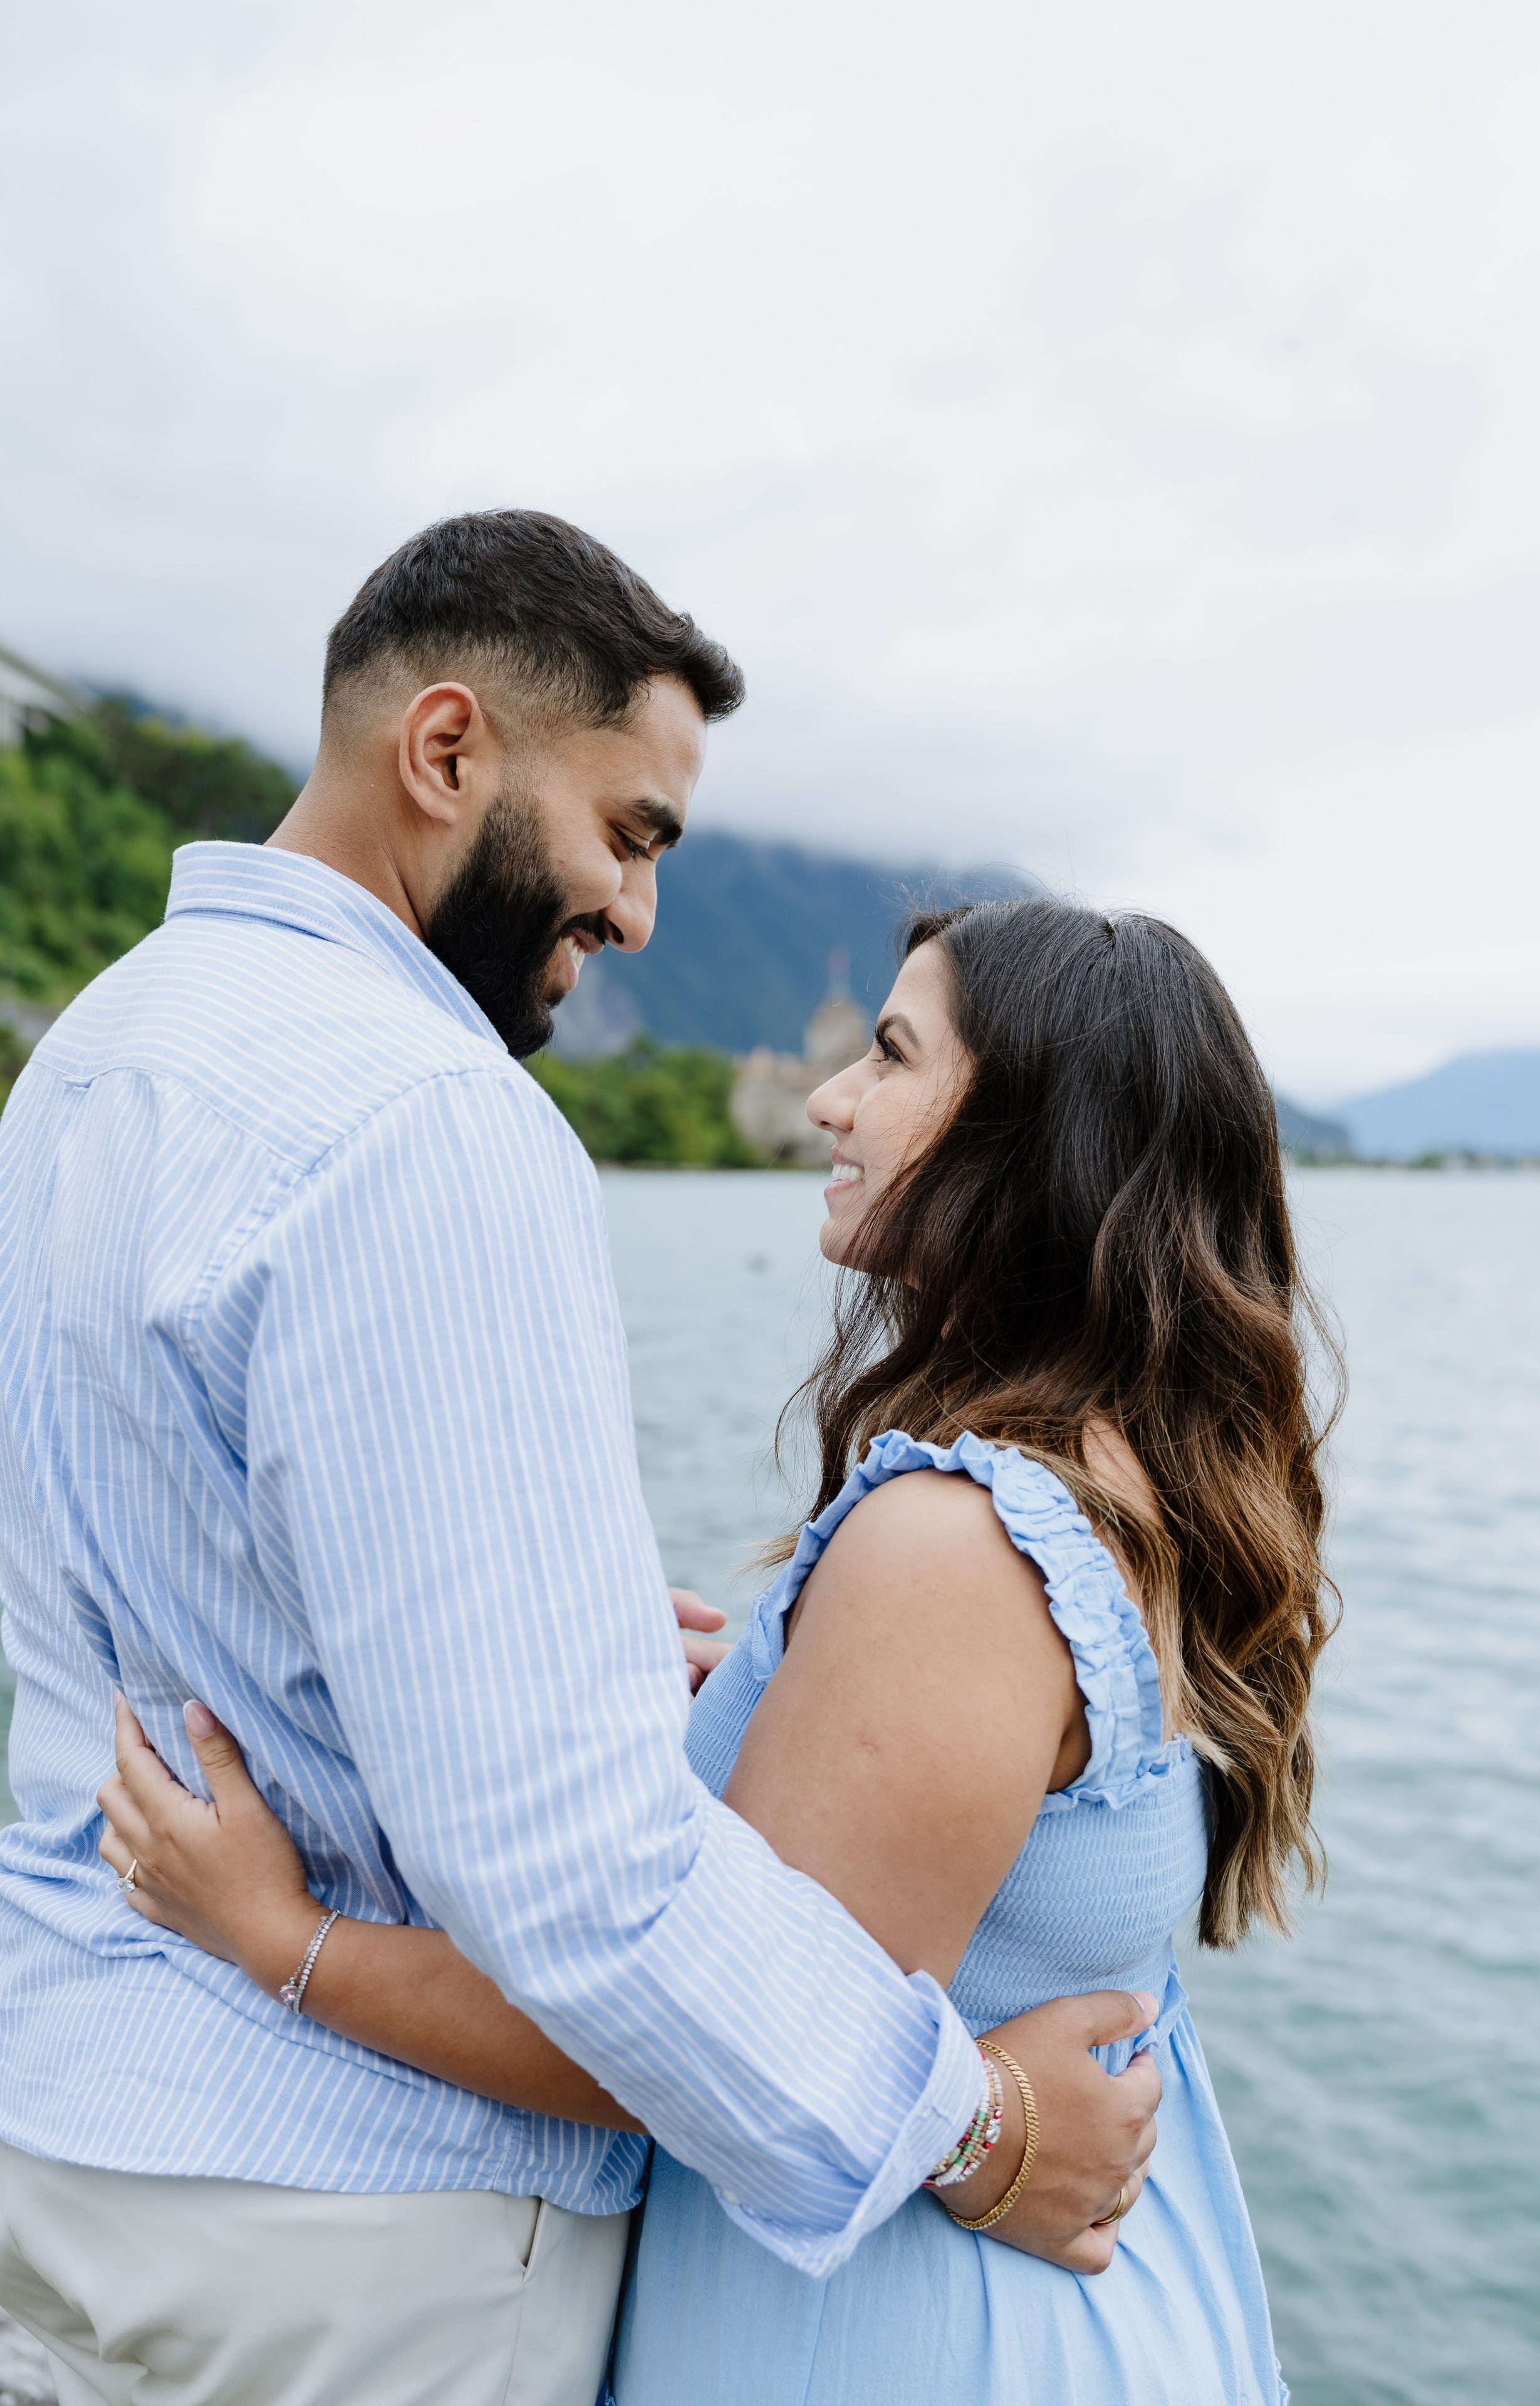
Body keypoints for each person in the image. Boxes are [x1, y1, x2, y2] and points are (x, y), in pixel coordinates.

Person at [0, 513, 1160, 2406]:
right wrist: (971, 2127)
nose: (636, 914)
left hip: (61, 2120)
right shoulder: (430, 1116)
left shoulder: (85, 1062)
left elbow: (185, 1576)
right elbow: (569, 1873)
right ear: (448, 752)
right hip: (346, 2224)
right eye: (630, 832)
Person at [98, 892, 1336, 2403]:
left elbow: (698, 2051)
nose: (830, 1098)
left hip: (890, 2340)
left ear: (1033, 1139)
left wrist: (280, 1936)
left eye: (892, 1056)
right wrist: (753, 1695)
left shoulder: (957, 1544)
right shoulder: (1131, 1475)